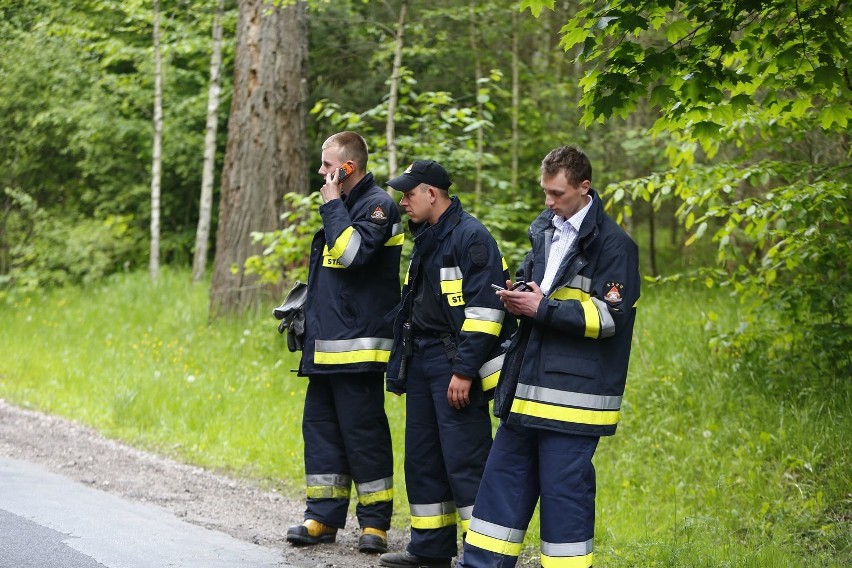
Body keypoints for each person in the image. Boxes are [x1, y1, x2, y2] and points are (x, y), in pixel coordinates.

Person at [459, 145, 640, 568]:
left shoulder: (617, 246)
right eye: (545, 192)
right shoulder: (544, 229)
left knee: (565, 505)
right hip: (526, 390)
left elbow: (610, 318)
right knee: (497, 494)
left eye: (557, 194)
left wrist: (541, 309)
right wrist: (520, 294)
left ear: (584, 187)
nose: (549, 202)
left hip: (575, 401)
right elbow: (535, 284)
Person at [379, 160, 516, 568]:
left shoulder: (471, 237)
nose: (403, 202)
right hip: (421, 358)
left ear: (431, 194)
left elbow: (486, 313)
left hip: (453, 362)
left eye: (408, 194)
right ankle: (430, 548)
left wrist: (463, 371)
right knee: (423, 456)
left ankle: (480, 553)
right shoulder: (426, 236)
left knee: (465, 458)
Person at [285, 131, 403, 555]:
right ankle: (322, 517)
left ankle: (374, 525)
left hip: (358, 351)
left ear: (346, 168)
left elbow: (352, 255)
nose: (320, 172)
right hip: (325, 348)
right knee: (321, 433)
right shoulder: (343, 206)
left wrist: (332, 203)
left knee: (364, 435)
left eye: (326, 165)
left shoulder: (378, 206)